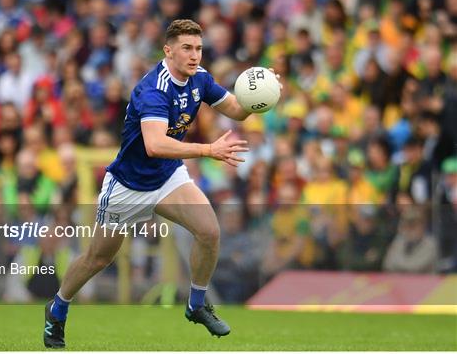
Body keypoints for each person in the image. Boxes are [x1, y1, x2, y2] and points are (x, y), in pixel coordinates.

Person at [42, 19, 281, 348]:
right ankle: (57, 308)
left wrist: (262, 93)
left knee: (209, 231)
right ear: (169, 50)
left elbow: (238, 111)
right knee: (98, 258)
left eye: (198, 48)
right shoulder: (153, 89)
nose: (195, 55)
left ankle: (196, 304)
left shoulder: (200, 80)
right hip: (128, 184)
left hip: (167, 176)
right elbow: (155, 144)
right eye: (187, 48)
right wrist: (208, 149)